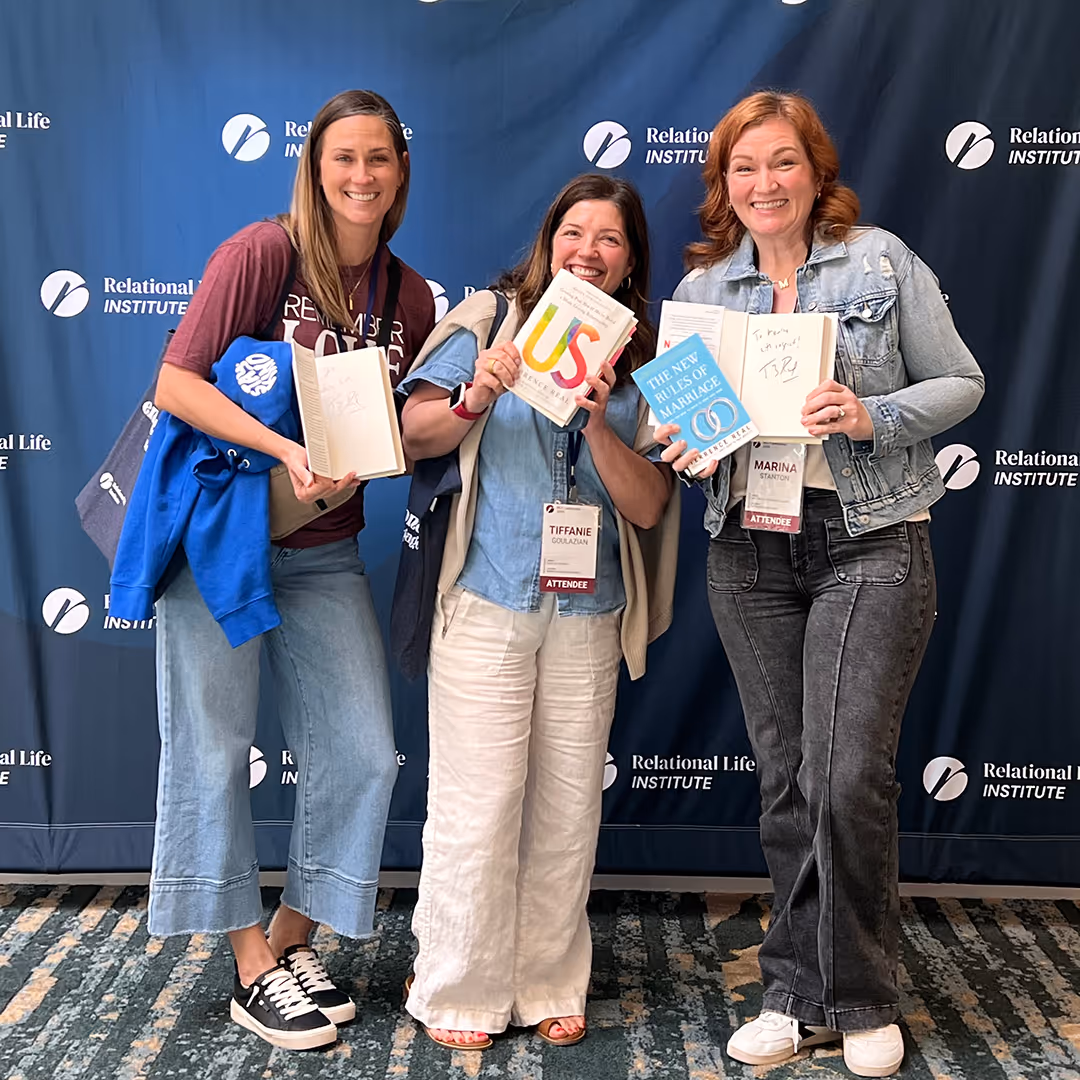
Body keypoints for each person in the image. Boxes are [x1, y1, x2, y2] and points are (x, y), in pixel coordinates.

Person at [659, 91, 984, 1078]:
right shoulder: (710, 292)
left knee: (849, 777)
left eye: (784, 163)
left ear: (817, 171)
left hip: (869, 539)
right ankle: (798, 993)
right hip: (749, 552)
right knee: (791, 780)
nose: (765, 184)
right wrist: (684, 444)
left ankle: (862, 995)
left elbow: (960, 382)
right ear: (725, 185)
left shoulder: (879, 261)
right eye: (744, 168)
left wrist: (869, 413)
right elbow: (672, 423)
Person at [140, 90, 435, 1049]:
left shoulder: (411, 295)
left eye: (378, 159)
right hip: (218, 536)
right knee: (214, 750)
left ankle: (292, 936)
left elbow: (408, 426)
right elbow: (176, 382)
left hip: (324, 547)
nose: (361, 177)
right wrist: (280, 444)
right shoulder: (260, 253)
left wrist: (468, 397)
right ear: (314, 166)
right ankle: (250, 967)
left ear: (400, 169)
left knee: (361, 750)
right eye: (342, 158)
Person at [398, 174, 678, 1050]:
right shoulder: (489, 318)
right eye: (575, 232)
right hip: (486, 598)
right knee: (476, 805)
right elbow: (413, 431)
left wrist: (599, 426)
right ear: (549, 239)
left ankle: (551, 977)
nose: (588, 251)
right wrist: (478, 392)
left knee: (565, 807)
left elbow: (650, 507)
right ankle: (458, 985)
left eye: (610, 240)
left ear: (631, 261)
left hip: (589, 610)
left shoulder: (648, 358)